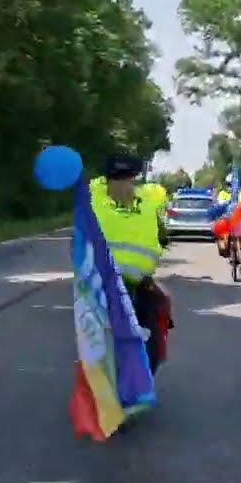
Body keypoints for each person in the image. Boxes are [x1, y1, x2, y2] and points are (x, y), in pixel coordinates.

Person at [89, 151, 171, 373]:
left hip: (104, 281)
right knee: (156, 317)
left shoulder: (93, 196)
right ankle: (141, 377)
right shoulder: (148, 200)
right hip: (126, 281)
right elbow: (162, 232)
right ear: (135, 177)